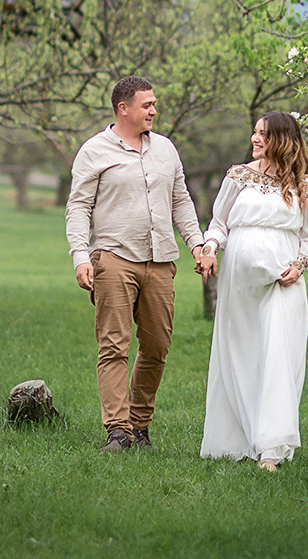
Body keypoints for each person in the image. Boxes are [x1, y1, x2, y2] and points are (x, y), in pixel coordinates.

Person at [66, 76, 216, 452]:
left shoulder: (165, 148)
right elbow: (78, 206)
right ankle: (118, 430)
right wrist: (80, 255)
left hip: (161, 260)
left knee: (156, 346)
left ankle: (139, 423)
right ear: (124, 108)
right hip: (113, 257)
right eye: (147, 105)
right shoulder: (94, 151)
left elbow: (180, 200)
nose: (154, 110)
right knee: (113, 346)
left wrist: (197, 244)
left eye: (154, 104)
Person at [201, 112, 308, 471]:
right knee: (239, 354)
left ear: (282, 140)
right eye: (254, 132)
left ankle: (270, 448)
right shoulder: (238, 176)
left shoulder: (305, 185)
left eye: (263, 134)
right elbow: (220, 223)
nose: (255, 139)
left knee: (277, 355)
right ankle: (237, 441)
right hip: (238, 284)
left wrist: (299, 265)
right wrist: (210, 248)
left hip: (282, 280)